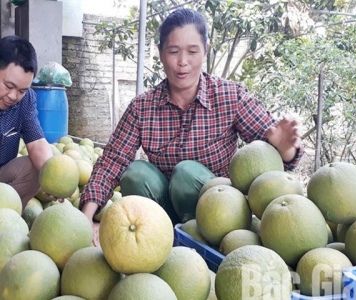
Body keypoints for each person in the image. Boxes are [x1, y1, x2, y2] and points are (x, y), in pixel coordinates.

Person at [80, 8, 304, 246]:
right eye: (173, 51)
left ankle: (198, 243)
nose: (182, 62)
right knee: (136, 173)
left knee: (186, 173)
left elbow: (275, 157)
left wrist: (284, 148)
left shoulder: (230, 97)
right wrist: (85, 217)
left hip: (217, 216)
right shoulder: (142, 108)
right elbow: (112, 161)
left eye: (192, 51)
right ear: (160, 53)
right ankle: (156, 241)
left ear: (205, 52)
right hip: (161, 213)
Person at [0, 35, 53, 207]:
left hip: (2, 177)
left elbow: (36, 142)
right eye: (8, 86)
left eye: (22, 90)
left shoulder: (26, 100)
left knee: (38, 168)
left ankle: (10, 219)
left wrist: (53, 177)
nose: (13, 96)